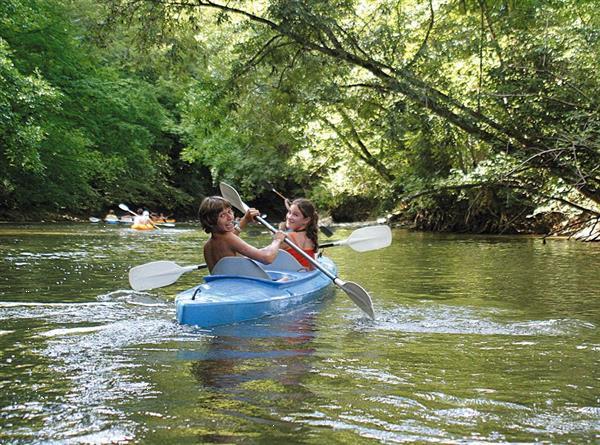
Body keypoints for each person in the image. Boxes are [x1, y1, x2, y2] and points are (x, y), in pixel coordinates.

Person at [199, 196, 287, 272]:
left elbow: (230, 240)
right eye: (222, 215)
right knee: (285, 279)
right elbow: (267, 258)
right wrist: (277, 240)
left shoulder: (208, 245)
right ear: (210, 221)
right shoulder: (228, 238)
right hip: (237, 288)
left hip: (221, 286)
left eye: (229, 212)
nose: (230, 217)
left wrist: (245, 220)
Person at [279, 198, 319, 270]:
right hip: (306, 275)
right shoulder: (311, 237)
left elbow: (265, 257)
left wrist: (277, 240)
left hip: (290, 277)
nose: (289, 217)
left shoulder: (286, 238)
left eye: (295, 215)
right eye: (289, 212)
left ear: (306, 220)